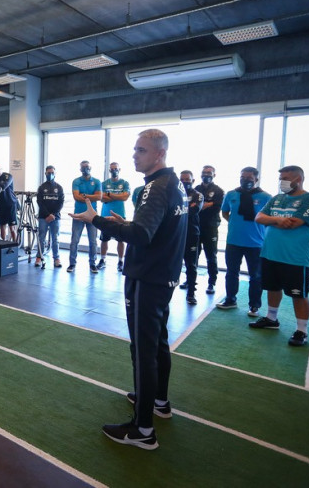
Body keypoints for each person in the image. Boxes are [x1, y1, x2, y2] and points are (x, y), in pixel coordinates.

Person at [71, 128, 187, 450]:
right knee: (159, 342)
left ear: (159, 154)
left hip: (147, 278)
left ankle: (143, 429)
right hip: (163, 276)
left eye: (140, 150)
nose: (134, 155)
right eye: (135, 149)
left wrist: (97, 220)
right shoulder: (175, 185)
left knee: (144, 350)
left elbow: (140, 234)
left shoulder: (155, 187)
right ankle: (159, 401)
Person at [250, 166, 309, 346]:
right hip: (270, 253)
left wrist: (274, 220)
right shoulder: (277, 198)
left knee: (298, 294)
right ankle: (271, 319)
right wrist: (277, 220)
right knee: (272, 288)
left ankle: (301, 330)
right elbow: (258, 217)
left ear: (298, 179)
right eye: (281, 178)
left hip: (295, 258)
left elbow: (294, 223)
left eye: (286, 178)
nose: (282, 182)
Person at [217, 167, 272, 315]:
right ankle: (230, 299)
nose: (245, 180)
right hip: (233, 241)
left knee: (256, 276)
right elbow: (225, 212)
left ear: (256, 179)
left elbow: (270, 218)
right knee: (231, 272)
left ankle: (254, 305)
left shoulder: (266, 197)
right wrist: (234, 223)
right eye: (243, 177)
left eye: (249, 178)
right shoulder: (231, 194)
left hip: (256, 243)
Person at [192, 165, 224, 295]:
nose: (206, 175)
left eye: (209, 173)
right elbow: (191, 206)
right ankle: (191, 281)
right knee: (193, 255)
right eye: (204, 172)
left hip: (210, 227)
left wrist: (204, 205)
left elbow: (217, 207)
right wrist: (208, 204)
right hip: (195, 226)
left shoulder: (219, 191)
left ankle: (212, 282)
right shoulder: (196, 189)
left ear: (214, 175)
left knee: (211, 256)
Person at [68, 160, 102, 274]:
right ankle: (72, 264)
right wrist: (90, 197)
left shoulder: (97, 181)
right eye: (83, 167)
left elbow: (99, 197)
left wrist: (85, 195)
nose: (85, 169)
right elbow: (76, 197)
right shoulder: (76, 181)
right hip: (78, 215)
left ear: (90, 168)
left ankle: (93, 264)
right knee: (74, 240)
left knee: (93, 242)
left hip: (92, 216)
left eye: (87, 167)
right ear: (80, 169)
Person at [98, 162, 130, 271]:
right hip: (105, 215)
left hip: (120, 216)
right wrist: (118, 196)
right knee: (104, 239)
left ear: (119, 169)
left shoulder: (125, 183)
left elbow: (125, 197)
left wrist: (110, 195)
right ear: (109, 171)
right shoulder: (104, 183)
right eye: (112, 169)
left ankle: (120, 261)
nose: (114, 171)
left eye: (115, 168)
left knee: (120, 240)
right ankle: (103, 260)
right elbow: (102, 198)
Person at [179, 171, 203, 305]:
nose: (185, 181)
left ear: (193, 181)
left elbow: (194, 210)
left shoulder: (198, 195)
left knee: (191, 265)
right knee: (172, 264)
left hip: (192, 234)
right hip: (176, 234)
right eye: (182, 179)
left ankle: (191, 294)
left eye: (187, 179)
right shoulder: (175, 193)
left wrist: (179, 208)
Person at [35, 165, 64, 268]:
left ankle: (56, 259)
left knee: (55, 238)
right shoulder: (42, 187)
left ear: (55, 174)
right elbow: (39, 202)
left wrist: (53, 215)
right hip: (43, 217)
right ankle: (39, 257)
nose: (50, 174)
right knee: (41, 238)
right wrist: (48, 215)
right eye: (48, 173)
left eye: (52, 172)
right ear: (45, 174)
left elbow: (61, 203)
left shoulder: (59, 187)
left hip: (55, 218)